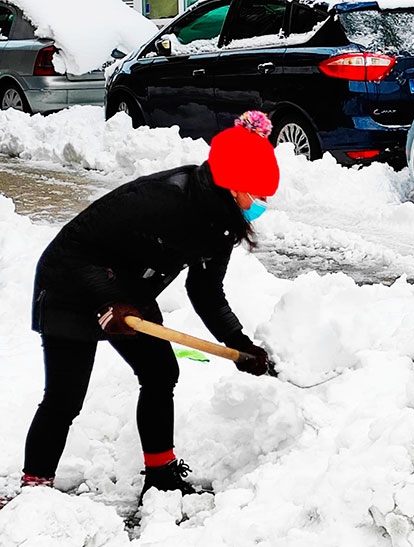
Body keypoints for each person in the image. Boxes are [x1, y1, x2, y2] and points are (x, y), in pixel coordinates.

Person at [20, 110, 280, 501]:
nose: (260, 203)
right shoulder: (163, 199)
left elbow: (206, 290)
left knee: (160, 372)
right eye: (257, 193)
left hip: (128, 292)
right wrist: (112, 299)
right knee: (65, 395)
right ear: (232, 184)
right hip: (69, 285)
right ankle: (34, 487)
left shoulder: (221, 223)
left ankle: (161, 475)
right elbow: (75, 248)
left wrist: (238, 344)